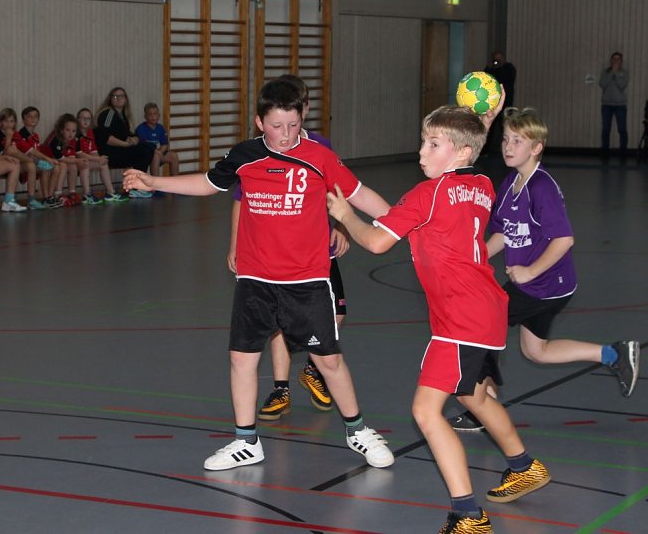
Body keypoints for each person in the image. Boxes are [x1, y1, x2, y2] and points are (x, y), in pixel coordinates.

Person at [124, 78, 395, 472]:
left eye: (292, 125)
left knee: (328, 360)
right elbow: (208, 183)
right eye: (275, 126)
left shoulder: (320, 157)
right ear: (258, 122)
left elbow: (361, 195)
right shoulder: (245, 155)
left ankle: (358, 431)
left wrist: (399, 225)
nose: (285, 135)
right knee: (242, 359)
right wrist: (154, 181)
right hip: (255, 280)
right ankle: (246, 441)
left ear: (302, 118)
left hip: (306, 280)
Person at [326, 102, 550, 534]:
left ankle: (468, 515)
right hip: (486, 307)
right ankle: (524, 466)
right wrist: (475, 126)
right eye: (423, 143)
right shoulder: (483, 183)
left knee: (426, 413)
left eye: (433, 144)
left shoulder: (427, 194)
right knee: (473, 397)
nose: (422, 153)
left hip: (460, 317)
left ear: (461, 152)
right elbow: (469, 147)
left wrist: (345, 215)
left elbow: (374, 242)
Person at [450, 107, 640, 433]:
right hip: (544, 286)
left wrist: (529, 271)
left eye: (518, 141)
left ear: (536, 147)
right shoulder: (511, 183)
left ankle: (479, 407)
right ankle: (614, 354)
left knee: (480, 328)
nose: (509, 146)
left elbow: (564, 240)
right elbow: (503, 232)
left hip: (544, 284)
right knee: (536, 352)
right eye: (507, 139)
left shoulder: (542, 187)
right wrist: (474, 255)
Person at [225, 74, 349, 420]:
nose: (286, 128)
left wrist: (341, 225)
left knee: (335, 315)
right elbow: (240, 199)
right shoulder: (258, 152)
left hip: (315, 253)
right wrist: (235, 243)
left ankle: (313, 367)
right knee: (277, 324)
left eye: (296, 116)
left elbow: (338, 190)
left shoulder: (319, 148)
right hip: (271, 259)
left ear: (304, 111)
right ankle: (280, 388)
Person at [94, 87, 155, 199]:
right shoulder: (108, 113)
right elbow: (105, 137)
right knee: (144, 150)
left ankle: (136, 186)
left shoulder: (123, 115)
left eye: (121, 96)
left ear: (125, 99)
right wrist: (125, 144)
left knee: (149, 147)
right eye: (115, 96)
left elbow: (127, 134)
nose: (118, 98)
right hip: (109, 153)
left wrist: (135, 139)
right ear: (110, 99)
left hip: (120, 150)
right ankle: (135, 187)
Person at [74, 108, 128, 204]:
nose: (86, 121)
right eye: (83, 118)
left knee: (103, 163)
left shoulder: (90, 133)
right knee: (84, 164)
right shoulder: (76, 134)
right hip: (74, 162)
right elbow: (80, 154)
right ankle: (87, 195)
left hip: (86, 159)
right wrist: (97, 158)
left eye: (88, 119)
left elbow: (94, 151)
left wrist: (100, 160)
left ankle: (110, 193)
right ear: (77, 119)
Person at [12, 106, 62, 209]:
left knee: (56, 167)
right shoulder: (20, 134)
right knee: (42, 167)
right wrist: (46, 159)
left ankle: (48, 196)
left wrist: (46, 161)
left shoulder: (35, 136)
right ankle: (38, 198)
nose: (33, 119)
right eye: (29, 116)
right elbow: (29, 152)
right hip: (22, 163)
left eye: (35, 116)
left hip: (33, 162)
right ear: (23, 119)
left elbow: (36, 153)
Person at [0, 108, 28, 213]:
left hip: (9, 163)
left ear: (15, 123)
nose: (9, 124)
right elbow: (3, 155)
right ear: (0, 122)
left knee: (17, 163)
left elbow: (26, 149)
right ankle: (7, 201)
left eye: (11, 121)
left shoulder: (16, 134)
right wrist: (8, 138)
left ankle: (9, 201)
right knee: (13, 157)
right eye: (6, 121)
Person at [41, 113, 82, 207]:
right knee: (63, 165)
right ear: (61, 130)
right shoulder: (56, 138)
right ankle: (57, 194)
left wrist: (77, 161)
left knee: (72, 166)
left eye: (73, 131)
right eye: (68, 130)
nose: (71, 133)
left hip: (54, 160)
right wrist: (78, 161)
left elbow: (70, 156)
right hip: (44, 158)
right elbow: (60, 158)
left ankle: (72, 192)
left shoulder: (71, 139)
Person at [136, 102, 179, 177]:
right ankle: (156, 183)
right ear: (145, 116)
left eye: (155, 114)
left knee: (174, 156)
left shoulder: (161, 128)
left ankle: (175, 181)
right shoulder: (141, 129)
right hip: (146, 155)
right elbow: (141, 146)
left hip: (158, 153)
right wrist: (157, 153)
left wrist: (160, 152)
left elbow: (165, 145)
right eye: (150, 114)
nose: (153, 117)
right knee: (156, 156)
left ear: (159, 116)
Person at [599, 52, 629, 157]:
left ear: (621, 61)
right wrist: (611, 73)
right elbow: (602, 84)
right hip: (606, 105)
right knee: (606, 129)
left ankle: (623, 153)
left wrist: (616, 73)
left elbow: (622, 85)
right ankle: (605, 153)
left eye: (618, 59)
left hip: (620, 105)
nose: (616, 61)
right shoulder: (605, 72)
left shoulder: (624, 73)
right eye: (614, 59)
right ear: (611, 61)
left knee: (622, 129)